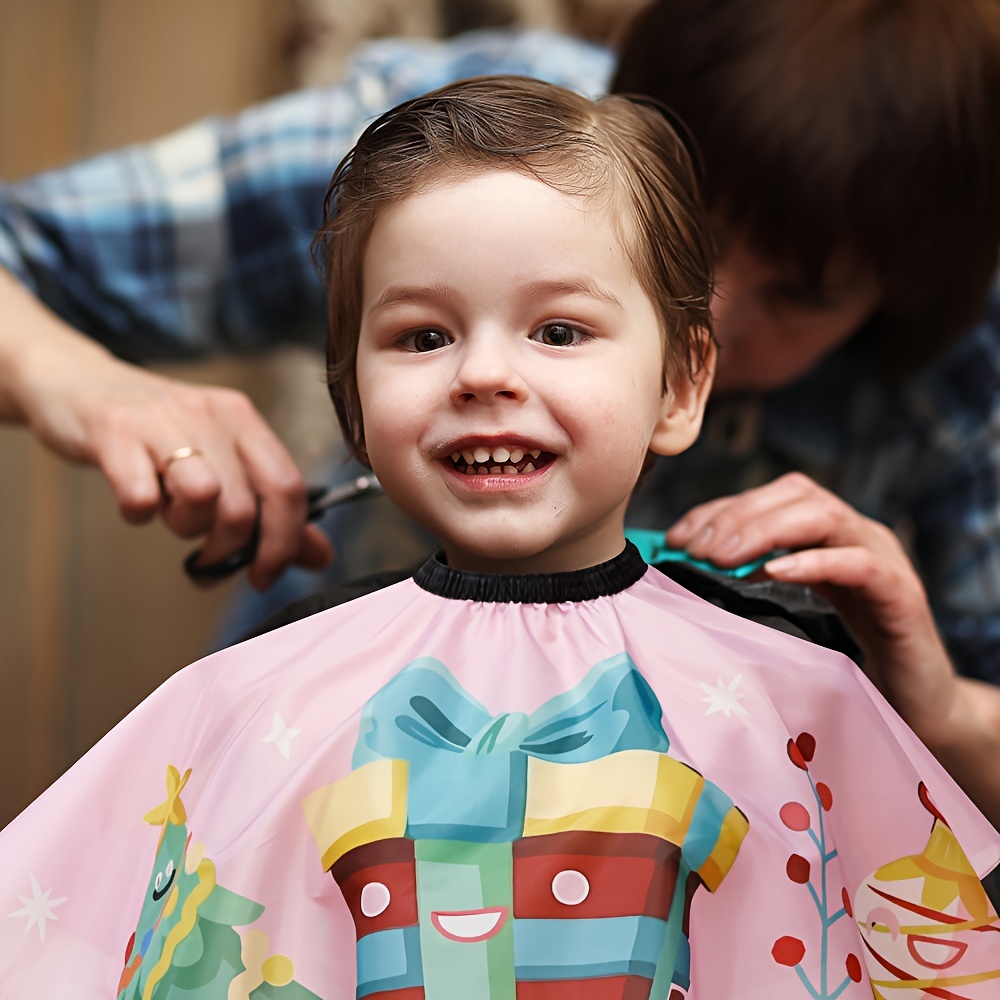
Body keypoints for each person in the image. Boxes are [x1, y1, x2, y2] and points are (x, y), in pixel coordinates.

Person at [1, 76, 997, 1000]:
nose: (483, 373)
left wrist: (937, 706)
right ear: (352, 397)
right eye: (421, 337)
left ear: (681, 383)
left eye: (558, 331)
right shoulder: (256, 689)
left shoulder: (796, 679)